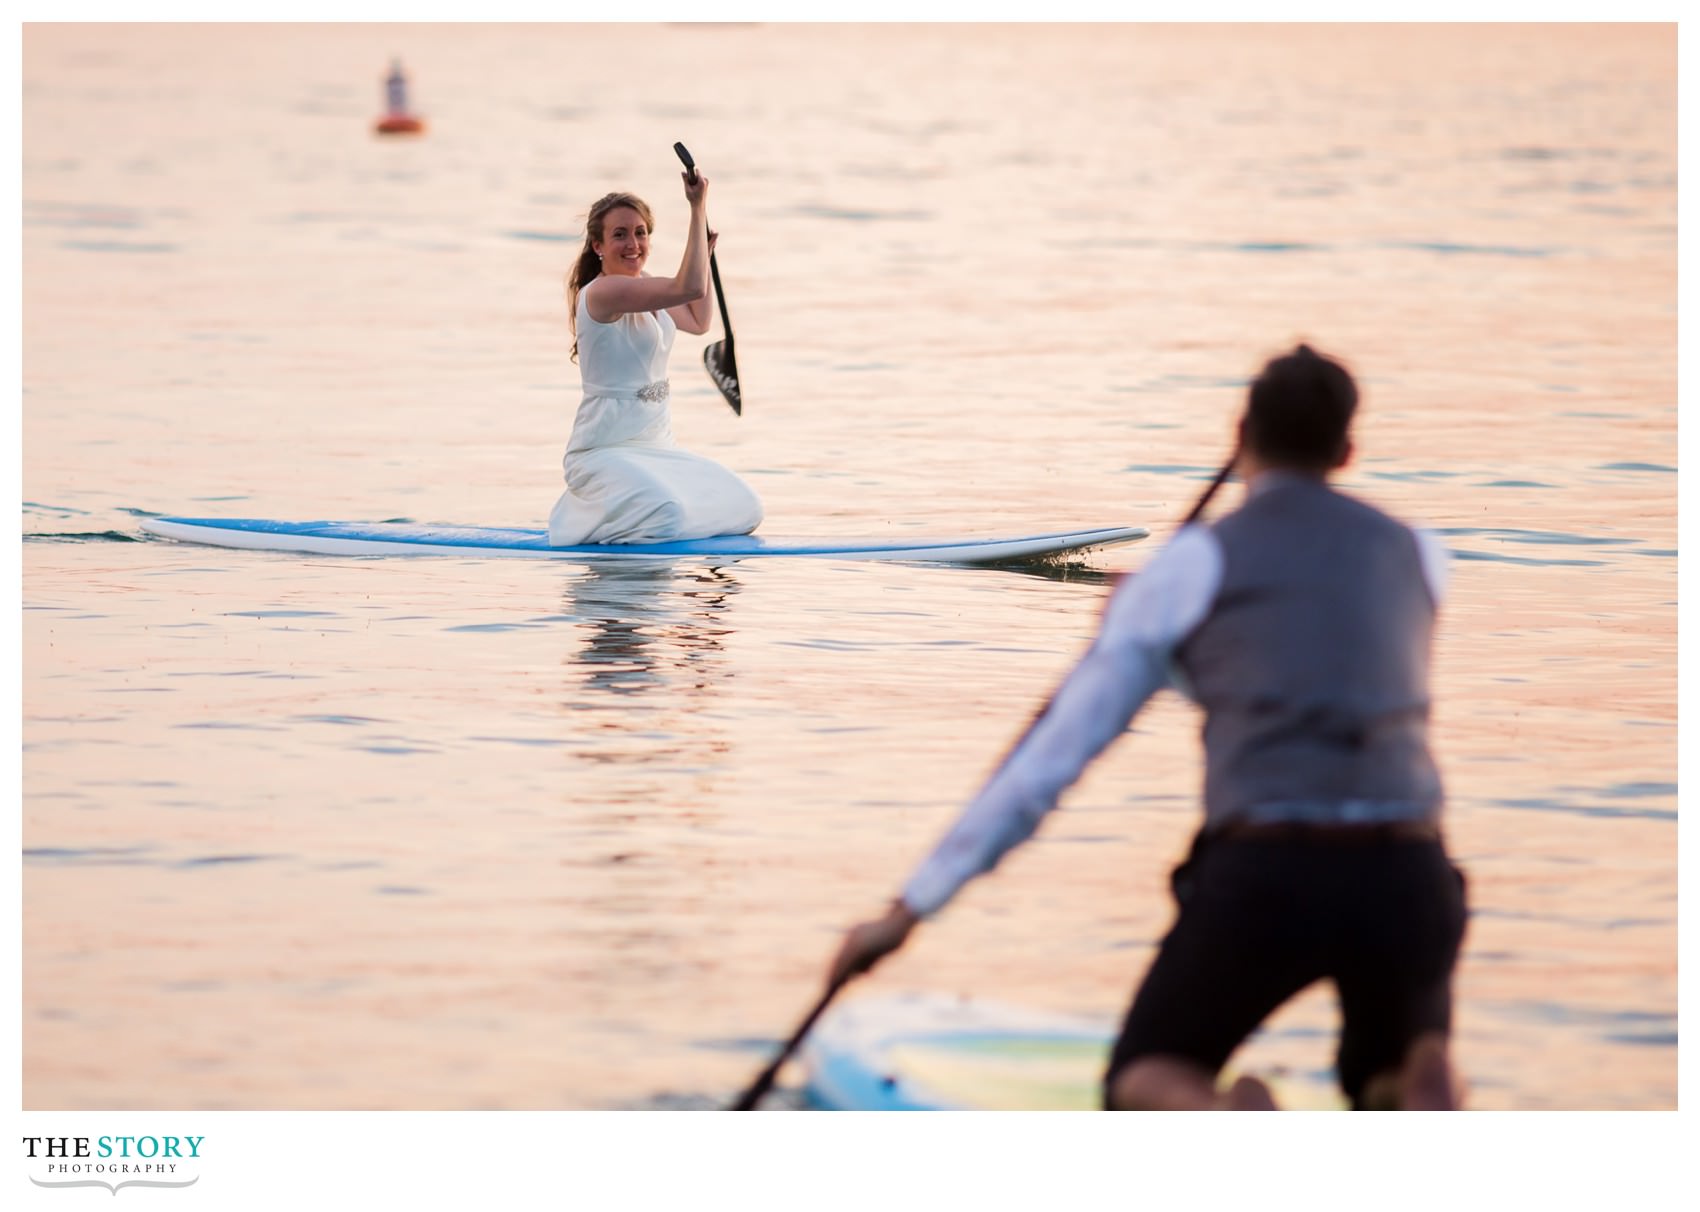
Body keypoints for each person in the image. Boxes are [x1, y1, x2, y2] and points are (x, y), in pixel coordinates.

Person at [828, 344, 1468, 1111]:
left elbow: (1045, 770)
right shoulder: (1419, 555)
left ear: (1241, 439)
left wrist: (906, 914)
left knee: (1146, 1076)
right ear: (1346, 450)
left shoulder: (1190, 569)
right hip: (1412, 868)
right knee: (1386, 1074)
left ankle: (1225, 1115)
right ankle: (1421, 1075)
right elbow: (1307, 676)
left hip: (1274, 870)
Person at [548, 174, 763, 546]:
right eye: (620, 234)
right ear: (598, 245)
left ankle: (642, 515)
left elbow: (698, 320)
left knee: (746, 508)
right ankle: (582, 520)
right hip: (602, 451)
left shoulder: (645, 284)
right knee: (667, 514)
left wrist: (703, 256)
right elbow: (688, 286)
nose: (633, 243)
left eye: (641, 232)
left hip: (656, 445)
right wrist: (697, 207)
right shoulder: (603, 292)